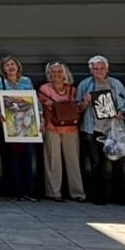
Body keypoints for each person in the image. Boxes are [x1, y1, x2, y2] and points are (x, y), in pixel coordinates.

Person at [77, 55, 125, 205]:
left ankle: (118, 196)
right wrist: (85, 103)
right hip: (93, 129)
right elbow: (77, 109)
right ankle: (98, 196)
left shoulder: (115, 84)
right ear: (91, 70)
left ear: (107, 69)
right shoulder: (85, 85)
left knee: (118, 162)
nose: (98, 71)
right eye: (95, 69)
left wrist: (121, 113)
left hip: (113, 130)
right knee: (96, 164)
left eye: (101, 68)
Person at [0, 55, 38, 201]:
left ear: (18, 66)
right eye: (7, 65)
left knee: (27, 157)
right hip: (9, 125)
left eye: (13, 64)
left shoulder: (26, 81)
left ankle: (28, 190)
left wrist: (40, 117)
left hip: (26, 125)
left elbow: (34, 100)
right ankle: (15, 190)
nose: (10, 67)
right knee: (11, 158)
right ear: (3, 68)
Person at [37, 61, 85, 202]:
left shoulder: (72, 90)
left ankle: (77, 192)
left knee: (73, 160)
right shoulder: (44, 89)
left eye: (59, 72)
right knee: (53, 160)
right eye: (53, 72)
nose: (56, 74)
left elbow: (78, 107)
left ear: (65, 74)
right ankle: (54, 192)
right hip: (52, 126)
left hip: (71, 127)